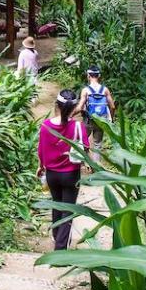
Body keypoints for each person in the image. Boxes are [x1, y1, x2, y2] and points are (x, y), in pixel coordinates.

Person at [37, 89, 89, 250]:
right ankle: (60, 248)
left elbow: (41, 150)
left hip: (52, 174)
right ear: (74, 108)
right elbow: (86, 148)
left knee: (57, 204)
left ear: (57, 105)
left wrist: (40, 167)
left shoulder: (46, 126)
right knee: (68, 209)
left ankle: (56, 236)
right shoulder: (78, 127)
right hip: (71, 174)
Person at [76, 66, 115, 163]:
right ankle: (96, 166)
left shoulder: (86, 90)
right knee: (97, 144)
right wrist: (111, 119)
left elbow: (80, 107)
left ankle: (83, 161)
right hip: (101, 120)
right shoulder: (105, 90)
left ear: (88, 75)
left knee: (82, 140)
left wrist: (70, 114)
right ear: (99, 76)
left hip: (88, 120)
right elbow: (113, 107)